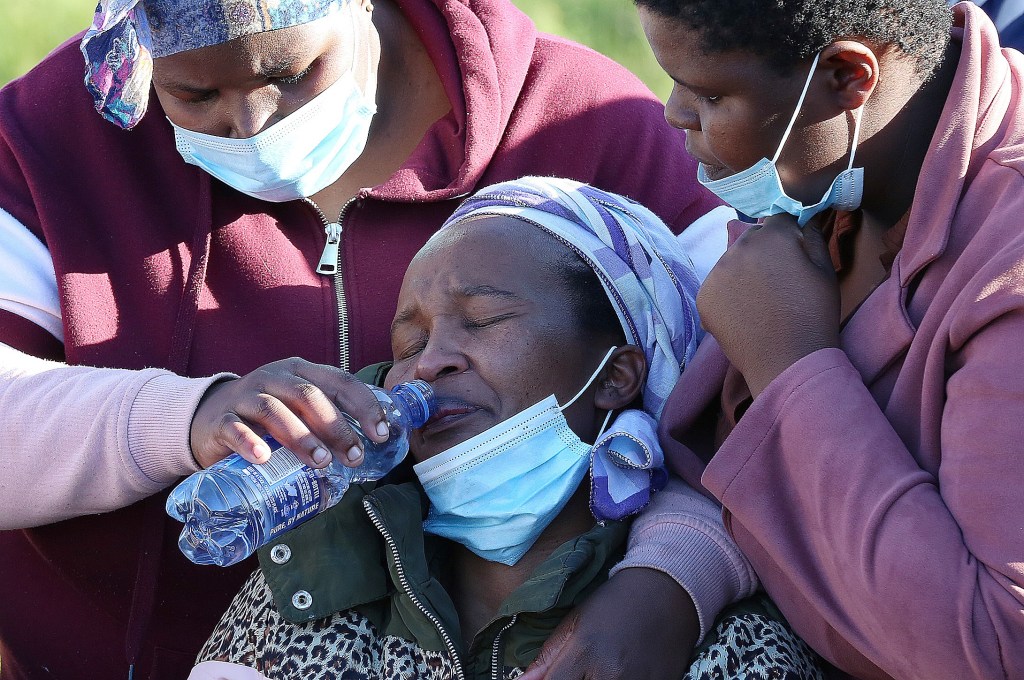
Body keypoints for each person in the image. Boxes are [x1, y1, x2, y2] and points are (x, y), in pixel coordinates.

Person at [0, 0, 736, 678]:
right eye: (193, 96)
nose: (252, 125)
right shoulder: (56, 133)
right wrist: (193, 417)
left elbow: (758, 414)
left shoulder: (586, 122)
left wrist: (673, 575)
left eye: (289, 74)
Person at [186, 177, 824, 680]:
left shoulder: (716, 643)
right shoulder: (309, 584)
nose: (430, 361)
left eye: (485, 320)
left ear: (617, 374)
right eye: (410, 340)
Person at [632, 0, 1024, 678]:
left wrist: (793, 367)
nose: (673, 113)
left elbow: (994, 647)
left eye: (709, 93)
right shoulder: (823, 168)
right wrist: (676, 567)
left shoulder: (1006, 263)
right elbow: (709, 456)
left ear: (848, 76)